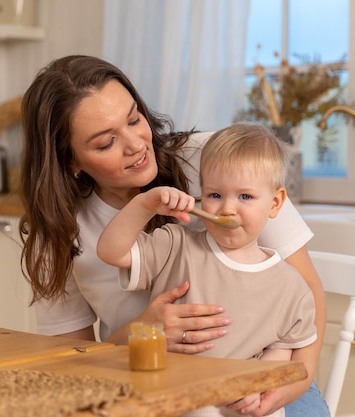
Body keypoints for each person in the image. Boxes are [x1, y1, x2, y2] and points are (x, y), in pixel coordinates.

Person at [19, 55, 328, 417]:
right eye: (106, 143)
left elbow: (305, 294)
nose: (136, 144)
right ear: (70, 160)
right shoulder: (59, 233)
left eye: (135, 119)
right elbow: (71, 367)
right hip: (148, 387)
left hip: (264, 376)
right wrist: (141, 332)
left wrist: (284, 387)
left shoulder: (219, 160)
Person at [97, 122, 317, 417]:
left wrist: (258, 385)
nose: (227, 208)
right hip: (169, 401)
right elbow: (111, 251)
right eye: (215, 195)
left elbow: (284, 351)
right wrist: (144, 205)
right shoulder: (176, 245)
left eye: (245, 197)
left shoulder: (290, 287)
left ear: (275, 203)